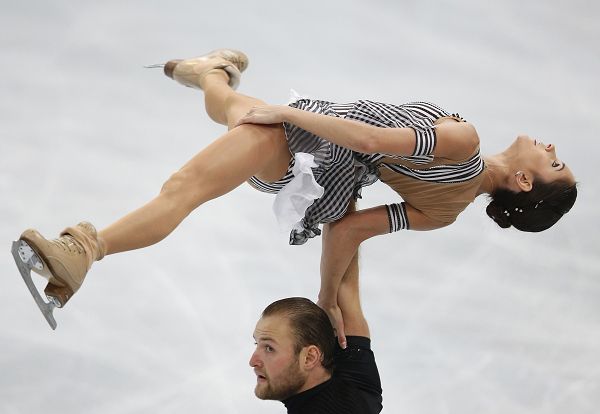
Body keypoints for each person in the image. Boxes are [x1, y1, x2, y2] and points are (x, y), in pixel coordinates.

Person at [14, 49, 577, 335]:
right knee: (234, 112)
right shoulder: (445, 214)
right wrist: (328, 297)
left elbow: (373, 136)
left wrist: (288, 113)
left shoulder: (466, 142)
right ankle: (211, 71)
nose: (549, 146)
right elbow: (347, 228)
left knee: (185, 188)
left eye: (553, 161)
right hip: (321, 182)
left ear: (525, 182)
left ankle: (84, 251)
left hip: (316, 139)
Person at [250, 252, 382, 413]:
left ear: (310, 357)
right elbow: (348, 237)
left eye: (269, 348)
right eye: (258, 344)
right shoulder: (356, 381)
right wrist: (328, 297)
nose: (253, 361)